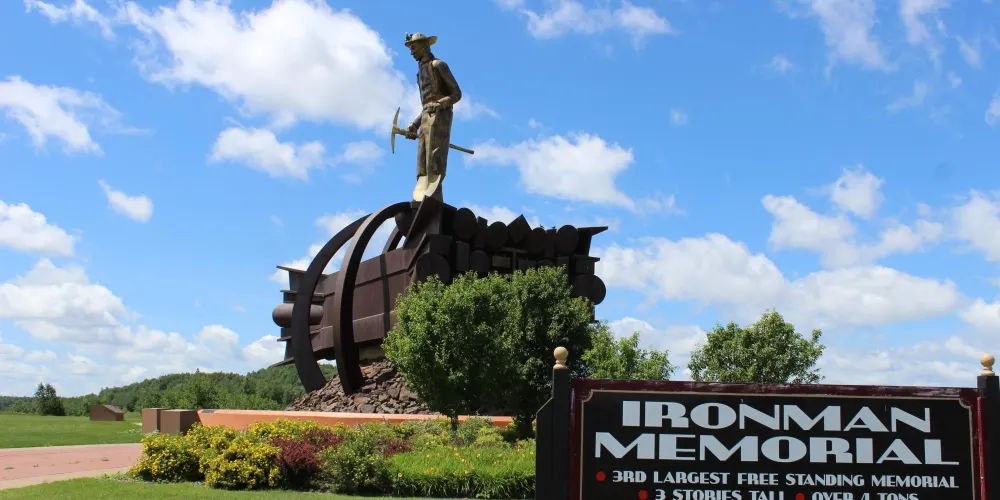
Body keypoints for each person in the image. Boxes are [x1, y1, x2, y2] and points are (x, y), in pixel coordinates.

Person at [403, 32, 462, 202]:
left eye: (414, 48)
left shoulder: (438, 65)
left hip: (441, 115)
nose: (412, 52)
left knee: (435, 158)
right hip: (426, 117)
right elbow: (426, 105)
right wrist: (415, 124)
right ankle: (422, 195)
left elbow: (456, 94)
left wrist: (440, 104)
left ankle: (434, 195)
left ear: (424, 46)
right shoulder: (419, 73)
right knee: (422, 158)